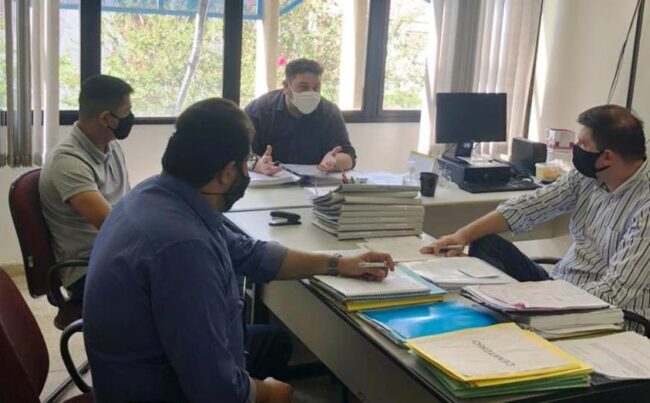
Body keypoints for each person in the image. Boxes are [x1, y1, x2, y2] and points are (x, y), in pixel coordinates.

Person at [83, 97, 394, 403]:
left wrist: (338, 263)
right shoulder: (184, 250)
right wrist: (269, 393)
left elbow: (249, 253)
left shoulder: (160, 193)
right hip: (159, 389)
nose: (248, 171)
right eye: (246, 162)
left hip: (140, 368)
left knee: (274, 343)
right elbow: (216, 391)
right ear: (227, 172)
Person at [425, 104, 650, 318]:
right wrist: (462, 235)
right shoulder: (588, 176)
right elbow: (528, 207)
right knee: (486, 243)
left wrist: (540, 301)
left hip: (603, 313)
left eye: (583, 145)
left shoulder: (645, 206)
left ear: (607, 157)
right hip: (559, 285)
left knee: (505, 309)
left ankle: (509, 319)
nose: (576, 149)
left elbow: (614, 292)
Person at [39, 74, 134, 323]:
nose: (130, 118)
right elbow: (112, 225)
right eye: (126, 113)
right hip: (88, 268)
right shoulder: (68, 161)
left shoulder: (111, 146)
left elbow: (128, 205)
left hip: (115, 253)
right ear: (105, 119)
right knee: (172, 281)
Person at [244, 58, 356, 175]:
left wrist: (335, 161)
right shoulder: (258, 111)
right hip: (270, 180)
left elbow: (350, 157)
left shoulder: (330, 113)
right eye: (303, 87)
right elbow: (240, 156)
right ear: (286, 86)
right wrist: (258, 165)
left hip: (315, 182)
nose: (311, 93)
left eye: (316, 88)